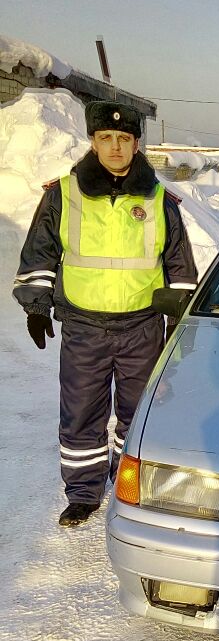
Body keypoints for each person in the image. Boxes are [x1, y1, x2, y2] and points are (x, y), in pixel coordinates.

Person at [13, 101, 198, 527]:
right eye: (105, 139)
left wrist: (177, 323)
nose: (115, 148)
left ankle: (127, 481)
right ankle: (83, 493)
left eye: (124, 139)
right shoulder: (64, 193)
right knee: (81, 413)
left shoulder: (158, 198)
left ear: (136, 143)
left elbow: (179, 268)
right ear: (93, 142)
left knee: (141, 413)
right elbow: (40, 255)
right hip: (84, 326)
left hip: (142, 329)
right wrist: (37, 305)